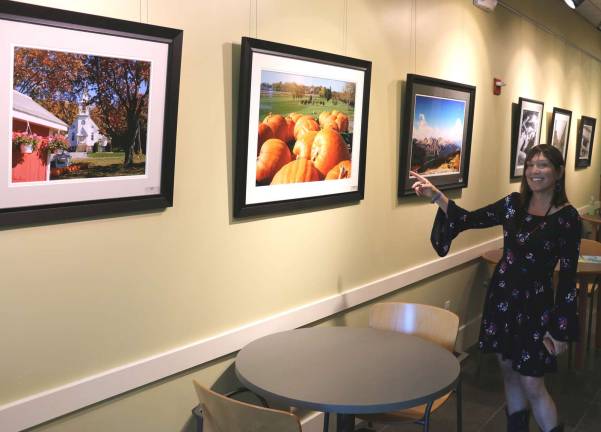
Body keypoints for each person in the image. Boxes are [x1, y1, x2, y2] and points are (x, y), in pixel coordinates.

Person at [410, 144, 581, 432]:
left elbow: (567, 276)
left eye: (543, 165)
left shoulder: (567, 218)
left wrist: (559, 329)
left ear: (559, 172)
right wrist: (437, 196)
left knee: (532, 383)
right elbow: (468, 219)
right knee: (510, 375)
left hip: (536, 306)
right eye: (530, 165)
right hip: (503, 300)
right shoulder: (512, 204)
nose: (535, 171)